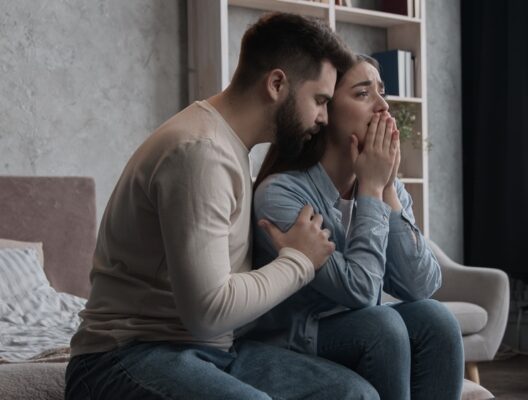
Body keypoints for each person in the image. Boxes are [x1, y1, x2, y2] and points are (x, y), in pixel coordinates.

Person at [65, 13, 381, 400]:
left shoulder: (229, 147)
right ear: (277, 83)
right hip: (123, 356)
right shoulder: (200, 152)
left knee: (354, 394)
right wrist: (299, 261)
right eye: (319, 100)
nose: (323, 117)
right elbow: (208, 312)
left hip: (209, 352)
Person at [251, 54, 465, 400]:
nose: (383, 105)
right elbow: (362, 292)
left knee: (436, 318)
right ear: (325, 112)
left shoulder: (380, 180)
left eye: (382, 92)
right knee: (382, 326)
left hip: (360, 327)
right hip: (297, 334)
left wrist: (389, 190)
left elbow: (422, 285)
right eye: (363, 94)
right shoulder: (282, 193)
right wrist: (370, 191)